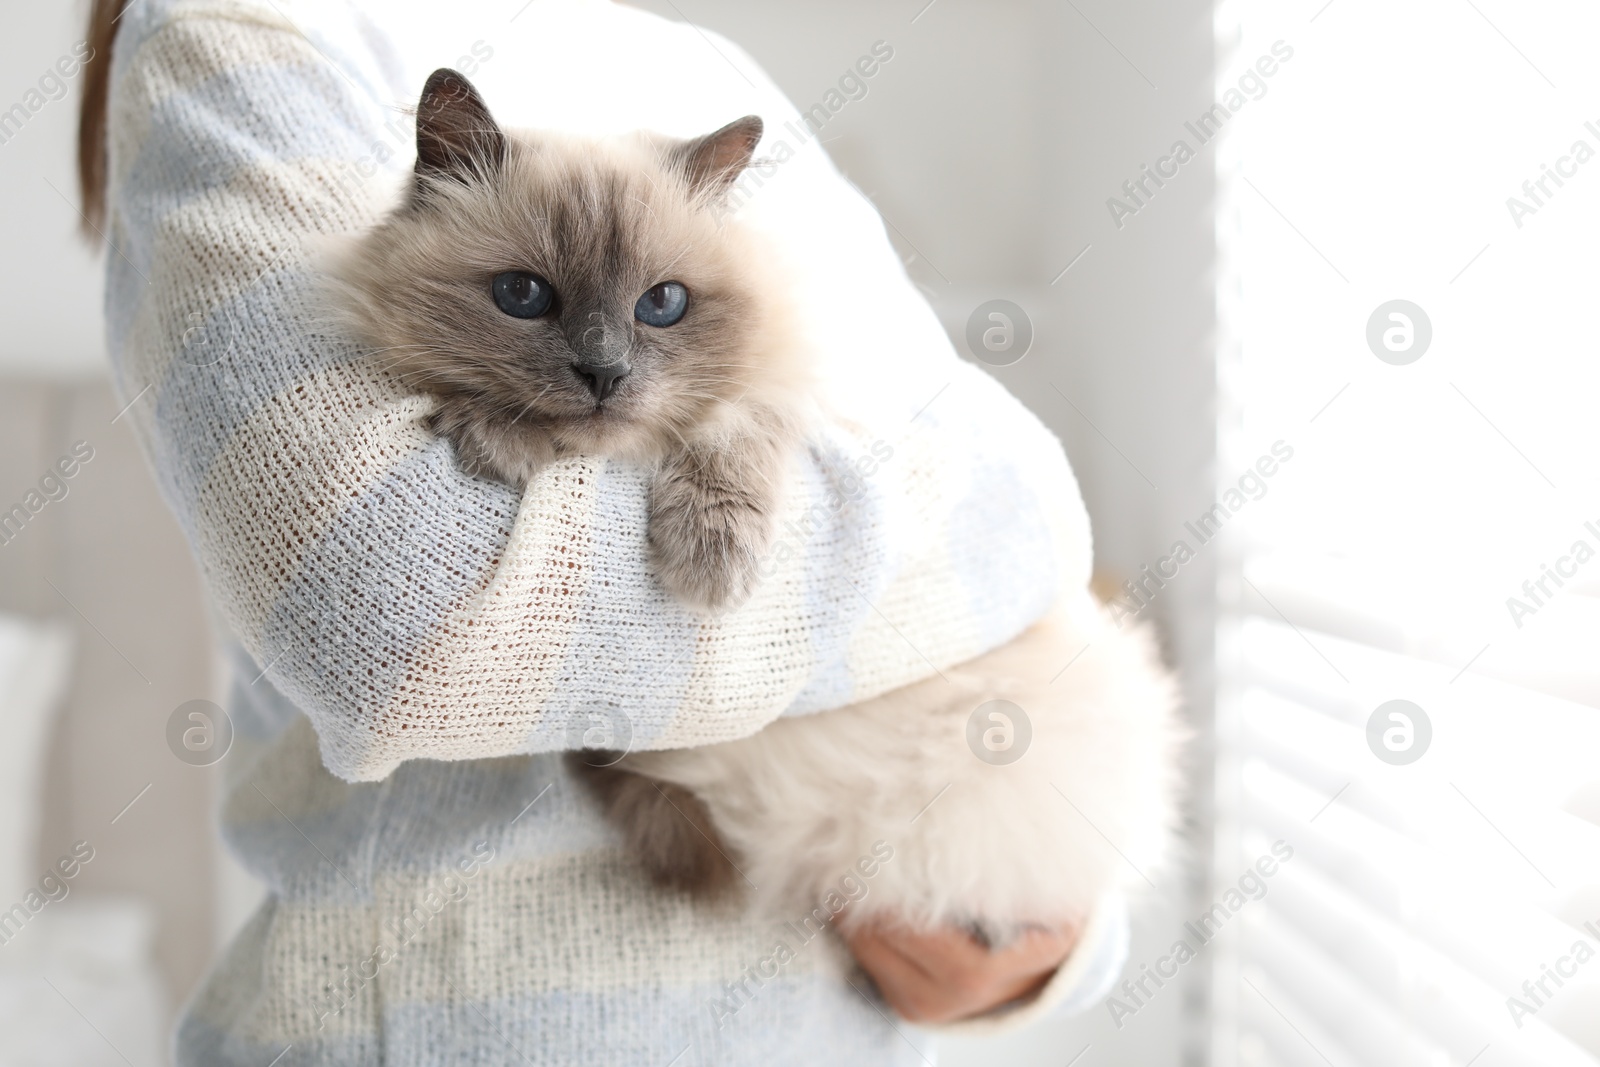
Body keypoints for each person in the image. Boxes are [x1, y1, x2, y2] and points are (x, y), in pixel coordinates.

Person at [78, 0, 1128, 1061]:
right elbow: (400, 618)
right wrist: (1006, 513)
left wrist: (1044, 948)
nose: (600, 359)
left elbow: (1022, 553)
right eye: (525, 295)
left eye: (659, 308)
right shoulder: (233, 32)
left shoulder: (715, 68)